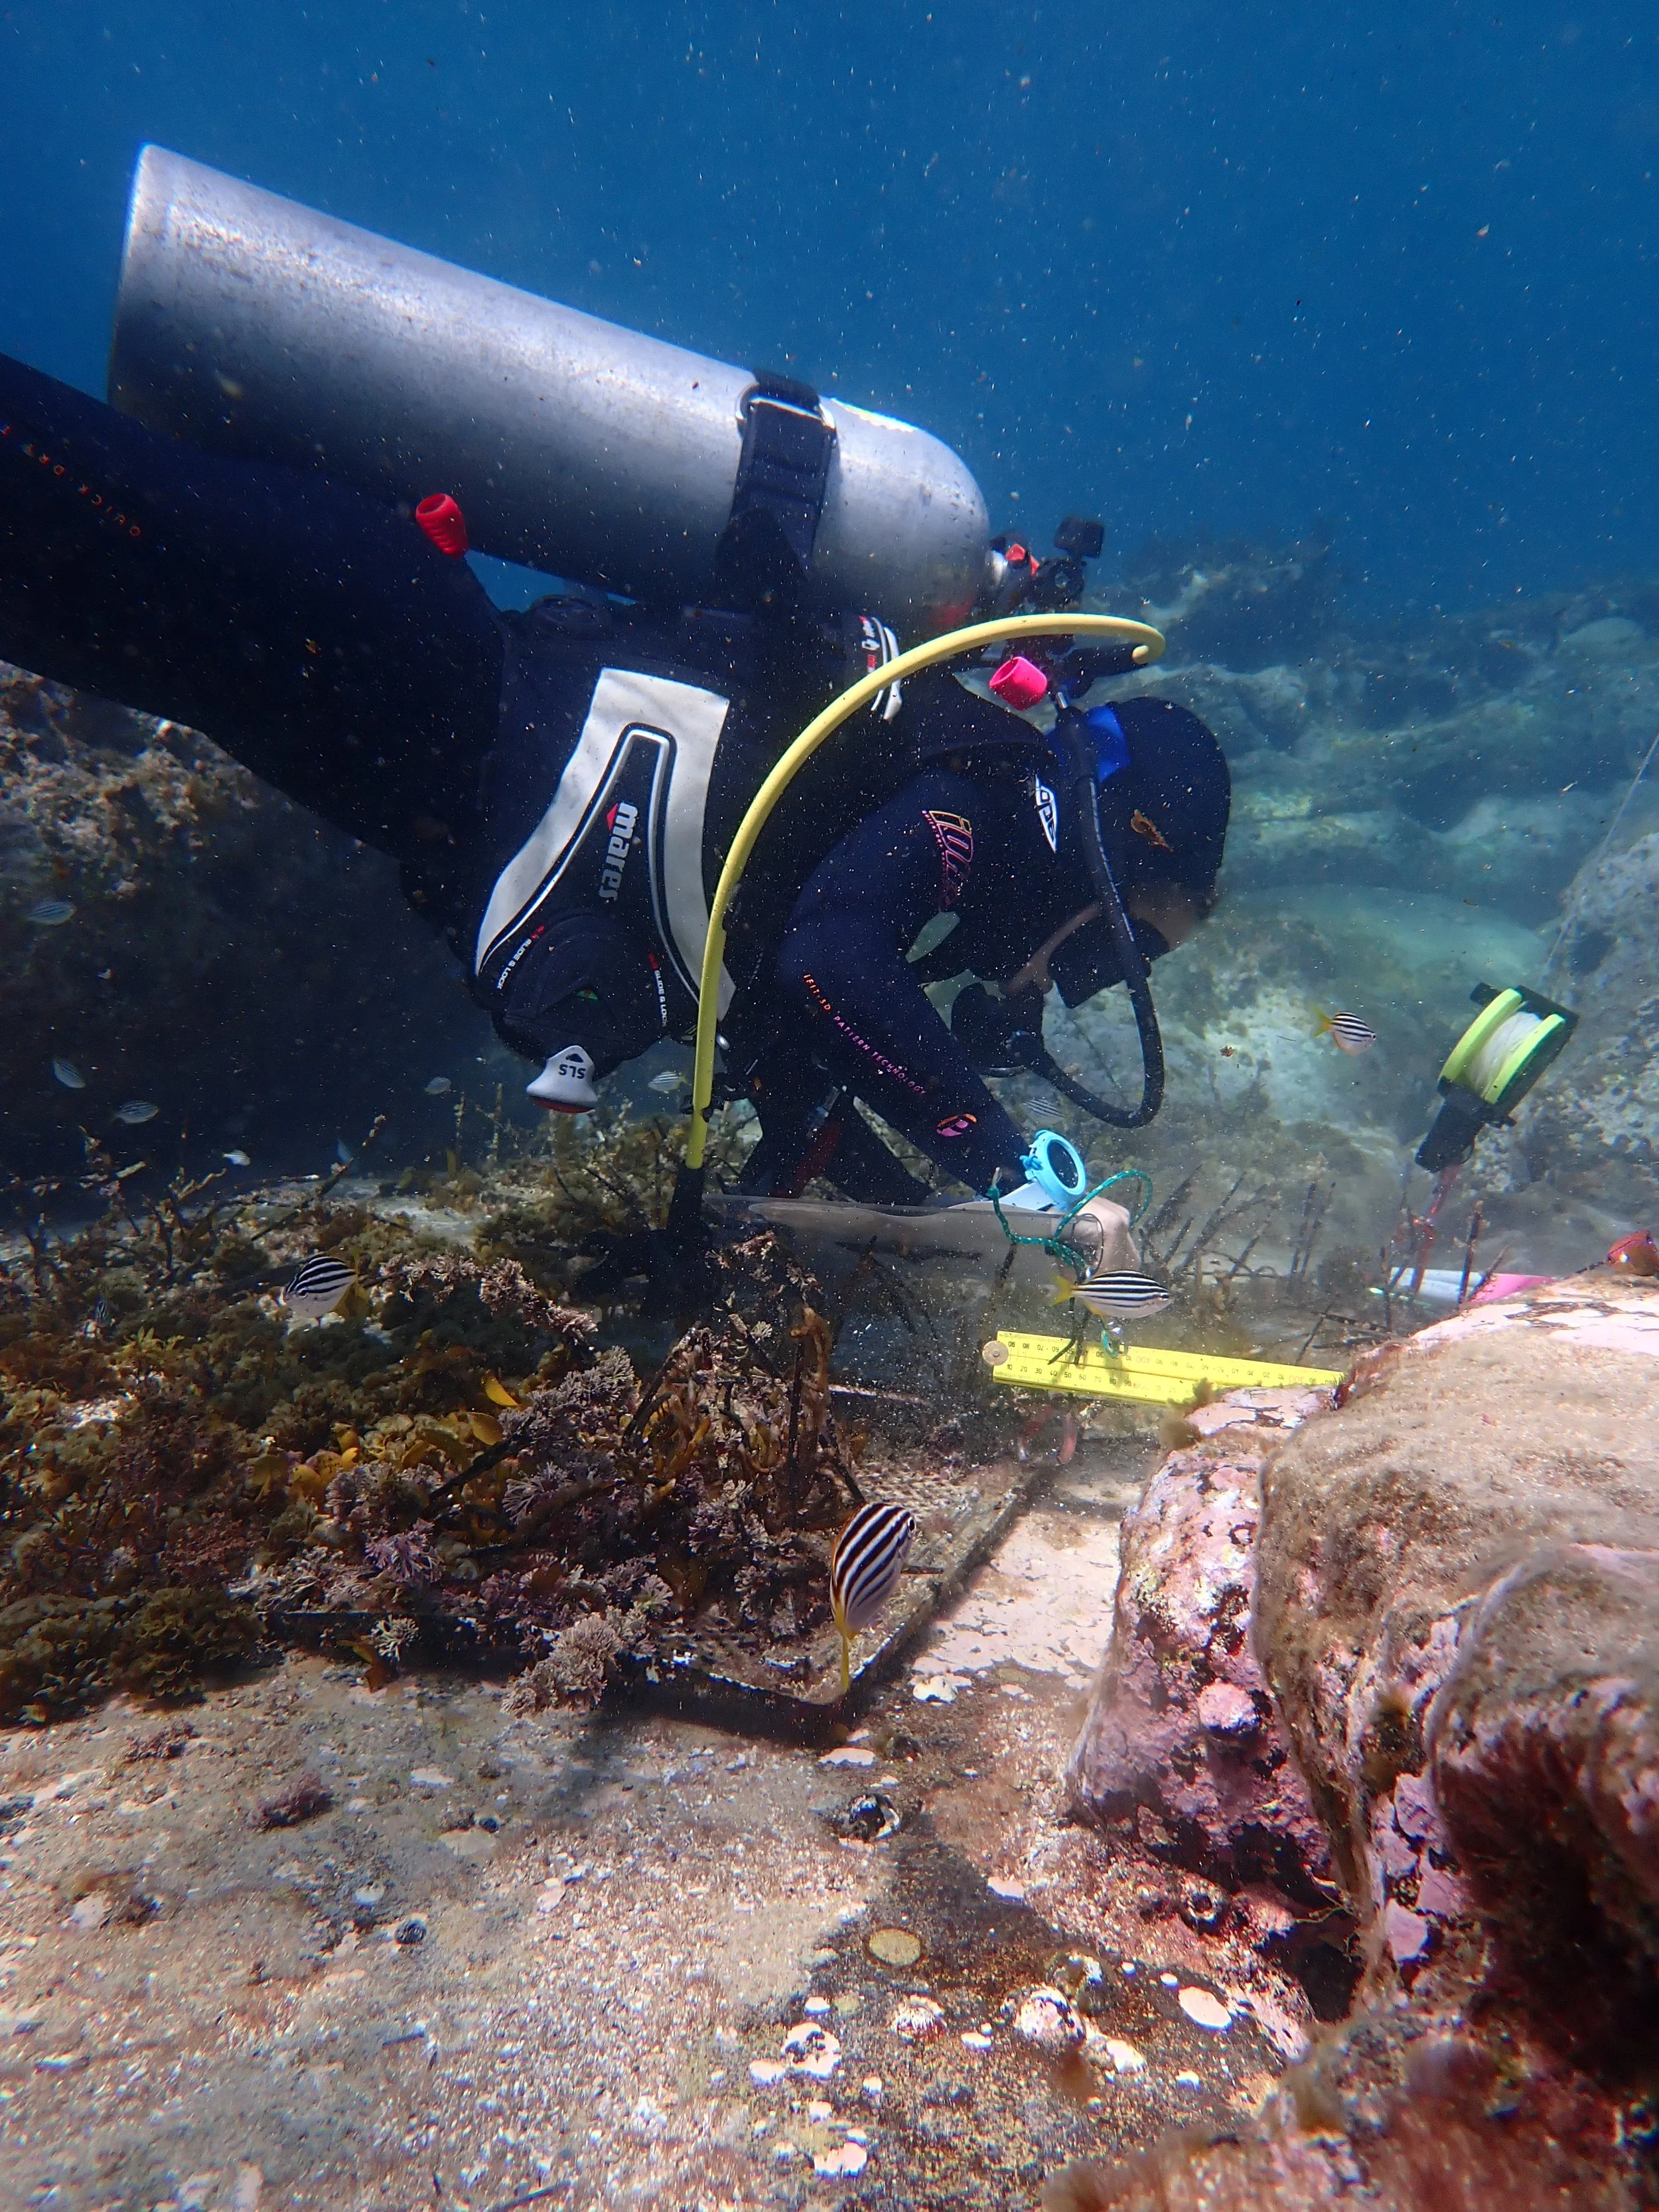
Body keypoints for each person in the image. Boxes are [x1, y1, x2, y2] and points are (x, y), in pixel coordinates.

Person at [0, 348, 1229, 1207]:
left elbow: (781, 1011)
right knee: (72, 511)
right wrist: (1012, 1173)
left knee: (71, 597)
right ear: (1122, 845)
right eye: (1115, 955)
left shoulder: (899, 816)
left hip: (412, 742)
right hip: (413, 656)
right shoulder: (971, 790)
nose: (1073, 990)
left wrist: (899, 1215)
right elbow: (828, 966)